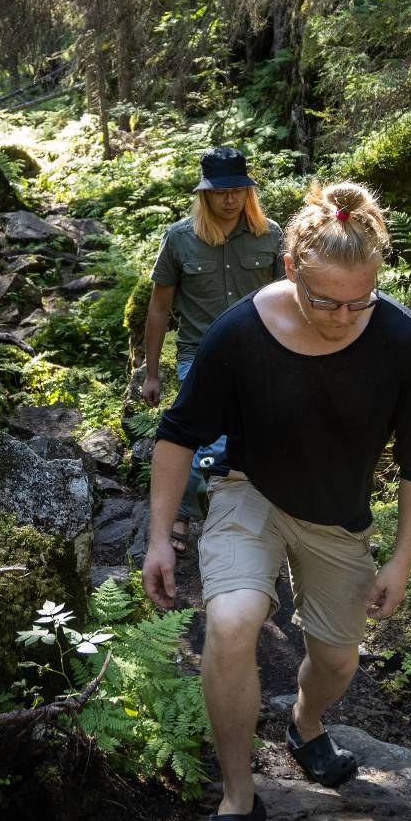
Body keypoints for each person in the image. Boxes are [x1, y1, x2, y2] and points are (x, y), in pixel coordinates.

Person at [141, 180, 411, 821]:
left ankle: (305, 721)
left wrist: (401, 560)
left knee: (338, 662)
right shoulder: (240, 332)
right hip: (250, 489)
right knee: (231, 622)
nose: (341, 317)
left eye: (358, 300)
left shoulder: (403, 342)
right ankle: (240, 800)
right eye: (323, 299)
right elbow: (179, 432)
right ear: (289, 271)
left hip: (337, 516)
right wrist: (160, 534)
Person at [138, 148, 285, 559]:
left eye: (238, 190)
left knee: (252, 438)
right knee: (210, 437)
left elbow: (288, 301)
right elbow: (159, 308)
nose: (230, 199)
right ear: (205, 195)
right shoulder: (180, 239)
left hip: (261, 357)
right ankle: (185, 515)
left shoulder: (270, 235)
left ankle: (250, 518)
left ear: (248, 192)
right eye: (221, 192)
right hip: (198, 356)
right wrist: (152, 374)